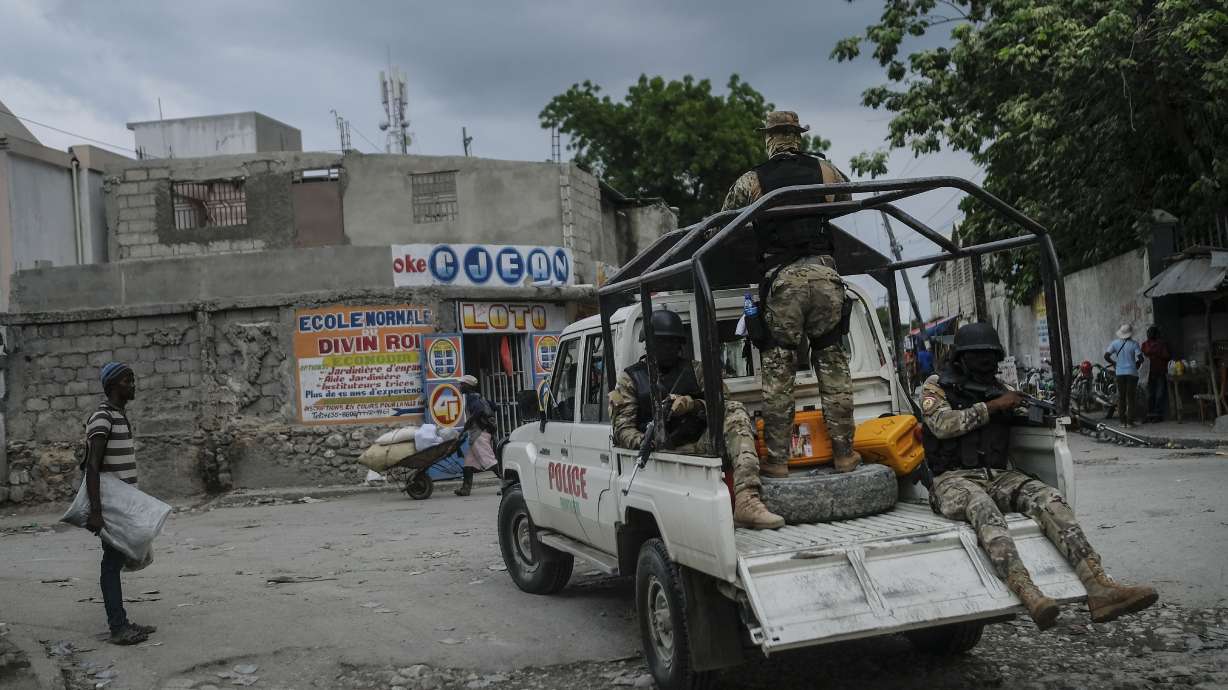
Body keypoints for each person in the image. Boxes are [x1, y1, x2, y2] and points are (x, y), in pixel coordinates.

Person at [921, 323, 1157, 630]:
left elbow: (1014, 418)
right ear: (961, 357)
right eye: (978, 355)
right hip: (950, 480)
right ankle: (1026, 590)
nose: (985, 362)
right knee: (981, 506)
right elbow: (942, 424)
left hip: (997, 475)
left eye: (990, 355)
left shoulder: (997, 387)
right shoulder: (937, 385)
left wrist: (1037, 415)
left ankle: (1099, 587)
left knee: (1048, 498)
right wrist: (992, 407)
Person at [722, 110, 860, 476]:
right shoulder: (825, 171)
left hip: (783, 282)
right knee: (833, 367)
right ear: (798, 137)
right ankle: (845, 455)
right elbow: (848, 196)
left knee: (779, 372)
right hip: (826, 277)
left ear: (768, 139)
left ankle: (778, 461)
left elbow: (725, 220)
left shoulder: (752, 180)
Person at [609, 309, 784, 529]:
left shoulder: (696, 370)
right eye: (663, 342)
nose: (670, 348)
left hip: (701, 444)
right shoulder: (631, 379)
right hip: (664, 455)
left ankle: (747, 500)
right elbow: (622, 428)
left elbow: (723, 403)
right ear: (649, 344)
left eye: (674, 342)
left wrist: (693, 405)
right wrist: (646, 440)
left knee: (736, 411)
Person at [85, 362, 157, 645]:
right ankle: (118, 627)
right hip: (110, 506)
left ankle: (121, 621)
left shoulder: (118, 416)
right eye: (129, 380)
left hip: (123, 504)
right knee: (111, 563)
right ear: (114, 385)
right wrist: (96, 511)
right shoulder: (102, 417)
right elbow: (91, 466)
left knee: (115, 561)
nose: (134, 385)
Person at [455, 374, 498, 496]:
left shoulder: (472, 398)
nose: (460, 386)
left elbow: (478, 410)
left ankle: (509, 484)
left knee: (490, 461)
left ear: (468, 386)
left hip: (480, 434)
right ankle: (465, 489)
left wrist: (468, 425)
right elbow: (494, 406)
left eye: (462, 384)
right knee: (469, 463)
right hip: (477, 433)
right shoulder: (478, 396)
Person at [1104, 324, 1144, 427]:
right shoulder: (1134, 344)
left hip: (1120, 373)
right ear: (1130, 333)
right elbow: (1141, 359)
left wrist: (1115, 363)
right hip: (1132, 373)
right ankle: (1130, 422)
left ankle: (1122, 422)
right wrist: (1136, 366)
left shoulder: (1115, 343)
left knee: (1121, 397)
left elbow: (1106, 356)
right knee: (1130, 398)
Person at [1141, 325, 1171, 422]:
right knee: (1150, 395)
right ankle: (1150, 414)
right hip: (1148, 373)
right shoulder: (1145, 344)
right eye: (1148, 333)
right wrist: (1155, 353)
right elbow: (1144, 354)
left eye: (1151, 333)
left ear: (1155, 334)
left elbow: (1166, 356)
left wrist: (1154, 354)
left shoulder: (1161, 344)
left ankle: (1157, 415)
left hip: (1160, 371)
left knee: (1159, 394)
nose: (1149, 334)